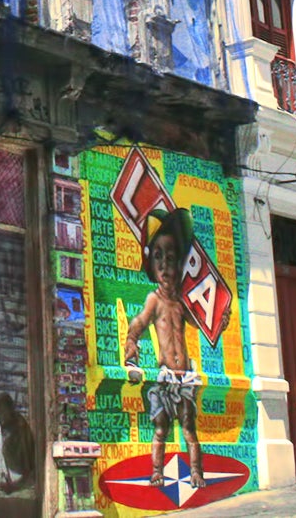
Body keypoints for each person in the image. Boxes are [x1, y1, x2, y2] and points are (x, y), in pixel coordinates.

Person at [125, 207, 206, 488]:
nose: (164, 266)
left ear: (180, 263)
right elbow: (138, 323)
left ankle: (196, 473)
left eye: (170, 258)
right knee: (161, 428)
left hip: (184, 377)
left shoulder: (181, 302)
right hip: (164, 377)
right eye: (157, 257)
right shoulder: (154, 299)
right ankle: (157, 472)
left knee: (189, 429)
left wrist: (220, 319)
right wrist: (130, 348)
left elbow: (201, 321)